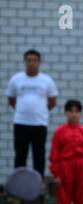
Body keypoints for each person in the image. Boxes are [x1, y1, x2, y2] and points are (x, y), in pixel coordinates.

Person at [5, 49, 58, 178]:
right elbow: (11, 100)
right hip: (21, 123)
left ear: (39, 62)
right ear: (24, 62)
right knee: (20, 155)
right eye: (29, 60)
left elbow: (52, 101)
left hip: (39, 124)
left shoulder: (47, 80)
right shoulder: (16, 79)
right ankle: (18, 186)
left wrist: (40, 112)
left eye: (34, 60)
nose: (31, 63)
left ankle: (38, 186)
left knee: (38, 155)